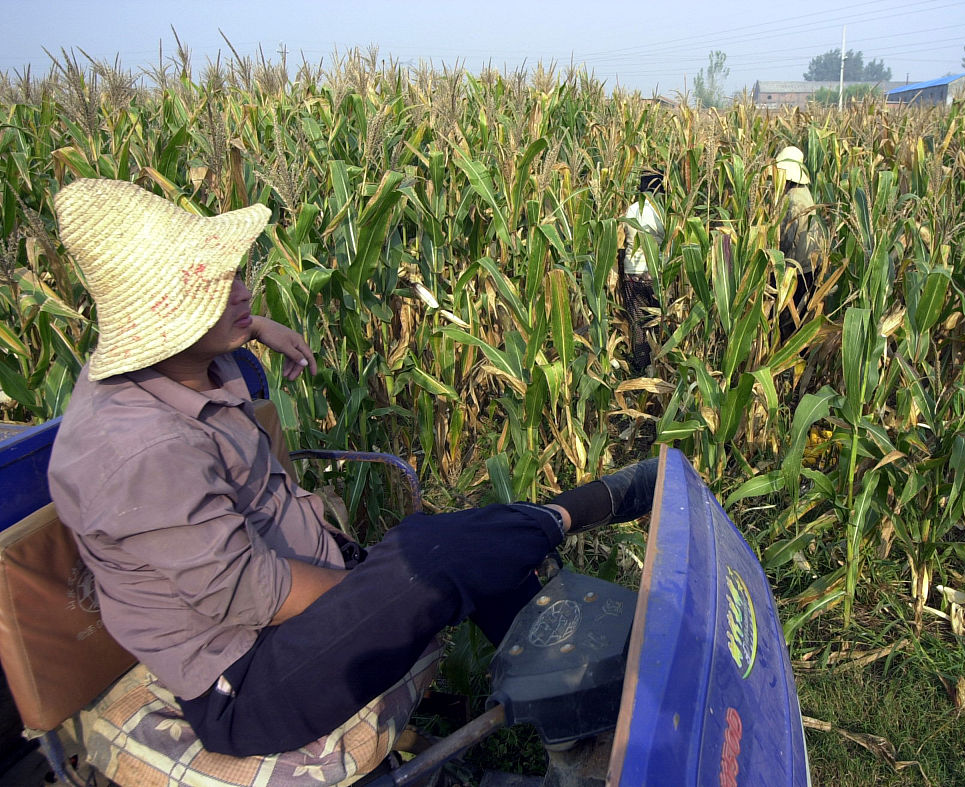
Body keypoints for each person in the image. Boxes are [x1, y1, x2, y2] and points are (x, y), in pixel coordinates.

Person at [47, 179, 658, 757]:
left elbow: (205, 329)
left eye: (236, 276)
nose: (241, 291)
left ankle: (581, 700)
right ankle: (589, 510)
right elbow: (246, 592)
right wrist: (390, 598)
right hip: (250, 681)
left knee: (466, 556)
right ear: (165, 322)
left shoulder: (177, 362)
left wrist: (255, 326)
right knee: (435, 560)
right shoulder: (137, 452)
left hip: (293, 609)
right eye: (215, 288)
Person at [619, 169, 666, 374]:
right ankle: (659, 366)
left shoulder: (631, 210)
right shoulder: (663, 213)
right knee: (659, 321)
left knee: (638, 323)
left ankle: (641, 366)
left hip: (632, 274)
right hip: (655, 275)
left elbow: (621, 240)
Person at [774, 146, 818, 342]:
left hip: (797, 269)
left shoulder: (792, 200)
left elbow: (785, 240)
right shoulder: (804, 192)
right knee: (801, 315)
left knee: (790, 321)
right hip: (810, 265)